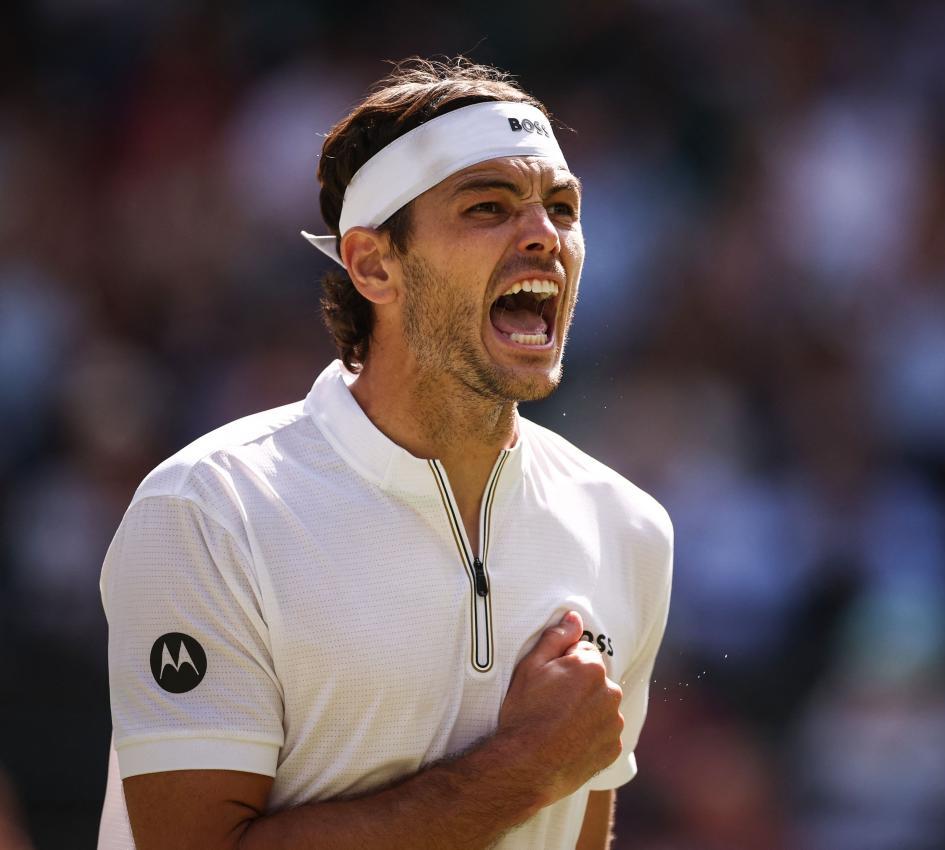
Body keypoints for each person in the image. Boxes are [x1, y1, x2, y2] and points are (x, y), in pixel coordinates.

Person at [96, 58, 674, 850]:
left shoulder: (629, 527)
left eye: (562, 208)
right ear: (373, 262)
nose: (545, 235)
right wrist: (526, 765)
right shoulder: (207, 511)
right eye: (488, 207)